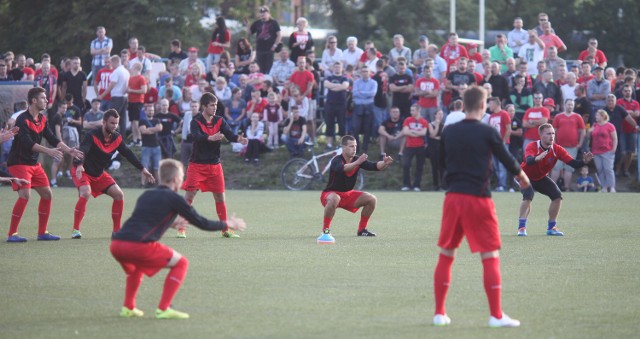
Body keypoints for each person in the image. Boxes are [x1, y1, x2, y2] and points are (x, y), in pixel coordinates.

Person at [433, 85, 530, 328]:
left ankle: (439, 313)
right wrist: (522, 176)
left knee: (446, 254)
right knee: (489, 256)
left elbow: (441, 162)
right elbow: (505, 158)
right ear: (483, 105)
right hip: (478, 198)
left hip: (453, 198)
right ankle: (496, 316)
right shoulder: (487, 131)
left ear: (463, 104)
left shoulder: (449, 131)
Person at [110, 158, 246, 319]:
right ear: (175, 179)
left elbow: (145, 219)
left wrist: (172, 224)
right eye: (182, 177)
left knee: (138, 269)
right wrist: (227, 223)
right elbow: (202, 223)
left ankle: (128, 307)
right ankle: (164, 308)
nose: (183, 180)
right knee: (181, 263)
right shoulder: (175, 198)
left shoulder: (147, 194)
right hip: (138, 246)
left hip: (117, 245)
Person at [5, 87, 84, 242]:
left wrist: (69, 151)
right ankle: (11, 234)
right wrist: (49, 151)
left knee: (47, 194)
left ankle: (42, 233)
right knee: (25, 195)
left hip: (33, 164)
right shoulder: (22, 119)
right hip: (19, 163)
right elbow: (28, 143)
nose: (46, 100)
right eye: (43, 98)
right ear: (34, 100)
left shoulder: (42, 119)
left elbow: (53, 138)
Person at [71, 109, 155, 239]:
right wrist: (79, 164)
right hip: (82, 170)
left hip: (99, 174)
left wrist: (142, 169)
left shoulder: (116, 137)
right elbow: (83, 150)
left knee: (118, 194)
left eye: (116, 123)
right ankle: (76, 230)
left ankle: (116, 231)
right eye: (112, 123)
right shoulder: (92, 135)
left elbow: (127, 153)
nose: (115, 126)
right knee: (85, 193)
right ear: (104, 122)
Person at [180, 93, 247, 239]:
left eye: (216, 105)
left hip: (215, 166)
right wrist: (210, 137)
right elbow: (196, 136)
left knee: (220, 198)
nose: (215, 108)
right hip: (197, 165)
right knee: (189, 196)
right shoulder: (196, 121)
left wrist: (238, 139)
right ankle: (181, 228)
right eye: (212, 105)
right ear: (204, 106)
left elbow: (229, 134)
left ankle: (225, 230)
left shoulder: (219, 120)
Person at [517, 123, 594, 236]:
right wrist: (536, 158)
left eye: (553, 133)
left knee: (557, 196)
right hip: (524, 176)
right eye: (548, 133)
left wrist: (584, 162)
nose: (552, 136)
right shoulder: (532, 146)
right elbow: (528, 161)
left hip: (540, 177)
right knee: (528, 195)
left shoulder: (557, 149)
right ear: (541, 135)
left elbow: (573, 164)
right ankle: (521, 228)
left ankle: (551, 228)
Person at [317, 135, 393, 244]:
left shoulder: (357, 159)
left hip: (348, 195)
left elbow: (375, 166)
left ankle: (362, 230)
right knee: (334, 198)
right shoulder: (336, 160)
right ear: (343, 147)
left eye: (355, 146)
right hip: (330, 194)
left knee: (371, 199)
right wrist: (358, 162)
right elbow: (343, 168)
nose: (354, 149)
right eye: (351, 146)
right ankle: (326, 231)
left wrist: (384, 163)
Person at [550, 99, 586, 191]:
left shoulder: (577, 117)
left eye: (572, 105)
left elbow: (583, 131)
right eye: (568, 104)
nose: (570, 106)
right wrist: (553, 143)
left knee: (569, 168)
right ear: (564, 105)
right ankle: (551, 188)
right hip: (559, 147)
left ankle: (566, 188)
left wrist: (580, 143)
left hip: (572, 147)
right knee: (556, 167)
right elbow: (553, 130)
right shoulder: (558, 116)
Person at [246, 5, 281, 74]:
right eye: (261, 12)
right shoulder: (257, 23)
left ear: (268, 13)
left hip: (269, 49)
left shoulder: (274, 22)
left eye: (264, 12)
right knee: (260, 68)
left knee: (269, 68)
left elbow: (279, 35)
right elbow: (249, 33)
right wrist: (247, 25)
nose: (262, 14)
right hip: (260, 49)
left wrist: (275, 45)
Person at [589, 110, 618, 192]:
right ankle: (604, 187)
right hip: (596, 151)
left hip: (607, 151)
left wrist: (614, 149)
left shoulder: (610, 126)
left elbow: (615, 138)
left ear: (603, 116)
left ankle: (612, 187)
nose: (596, 117)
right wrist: (589, 131)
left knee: (608, 169)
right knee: (600, 169)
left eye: (597, 115)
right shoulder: (595, 125)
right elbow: (588, 134)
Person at [401, 105, 428, 191]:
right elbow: (405, 131)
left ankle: (417, 185)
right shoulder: (407, 120)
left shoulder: (423, 121)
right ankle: (406, 184)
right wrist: (417, 133)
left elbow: (423, 133)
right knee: (406, 165)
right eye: (411, 110)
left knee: (419, 166)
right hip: (409, 146)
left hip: (420, 146)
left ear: (418, 111)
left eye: (413, 110)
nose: (411, 112)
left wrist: (411, 131)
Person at [427, 109, 444, 190]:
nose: (440, 116)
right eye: (439, 114)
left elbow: (443, 138)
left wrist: (438, 137)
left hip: (441, 148)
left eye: (442, 114)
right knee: (434, 166)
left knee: (442, 167)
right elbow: (432, 135)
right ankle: (435, 185)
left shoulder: (443, 125)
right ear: (435, 115)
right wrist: (437, 125)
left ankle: (443, 185)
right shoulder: (430, 124)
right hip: (433, 148)